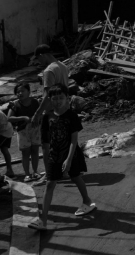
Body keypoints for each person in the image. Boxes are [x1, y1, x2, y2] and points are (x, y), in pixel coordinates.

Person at [28, 83, 95, 232]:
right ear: (50, 99)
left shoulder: (71, 115)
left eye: (61, 98)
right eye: (54, 98)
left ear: (67, 98)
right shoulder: (47, 117)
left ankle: (87, 201)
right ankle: (43, 221)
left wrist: (69, 159)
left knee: (76, 177)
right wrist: (46, 163)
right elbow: (45, 143)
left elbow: (74, 139)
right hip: (54, 156)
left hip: (71, 154)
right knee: (50, 184)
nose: (58, 101)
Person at [9, 83, 45, 183]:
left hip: (35, 129)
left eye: (22, 91)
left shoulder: (35, 102)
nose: (20, 93)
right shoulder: (15, 104)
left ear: (29, 92)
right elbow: (9, 118)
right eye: (18, 92)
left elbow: (40, 113)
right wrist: (23, 118)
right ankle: (27, 174)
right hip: (22, 131)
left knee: (35, 151)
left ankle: (35, 172)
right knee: (25, 153)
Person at [31, 44, 69, 126]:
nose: (38, 61)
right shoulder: (64, 66)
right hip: (65, 107)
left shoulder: (49, 70)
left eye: (38, 58)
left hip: (53, 112)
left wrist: (37, 114)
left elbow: (48, 95)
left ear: (42, 55)